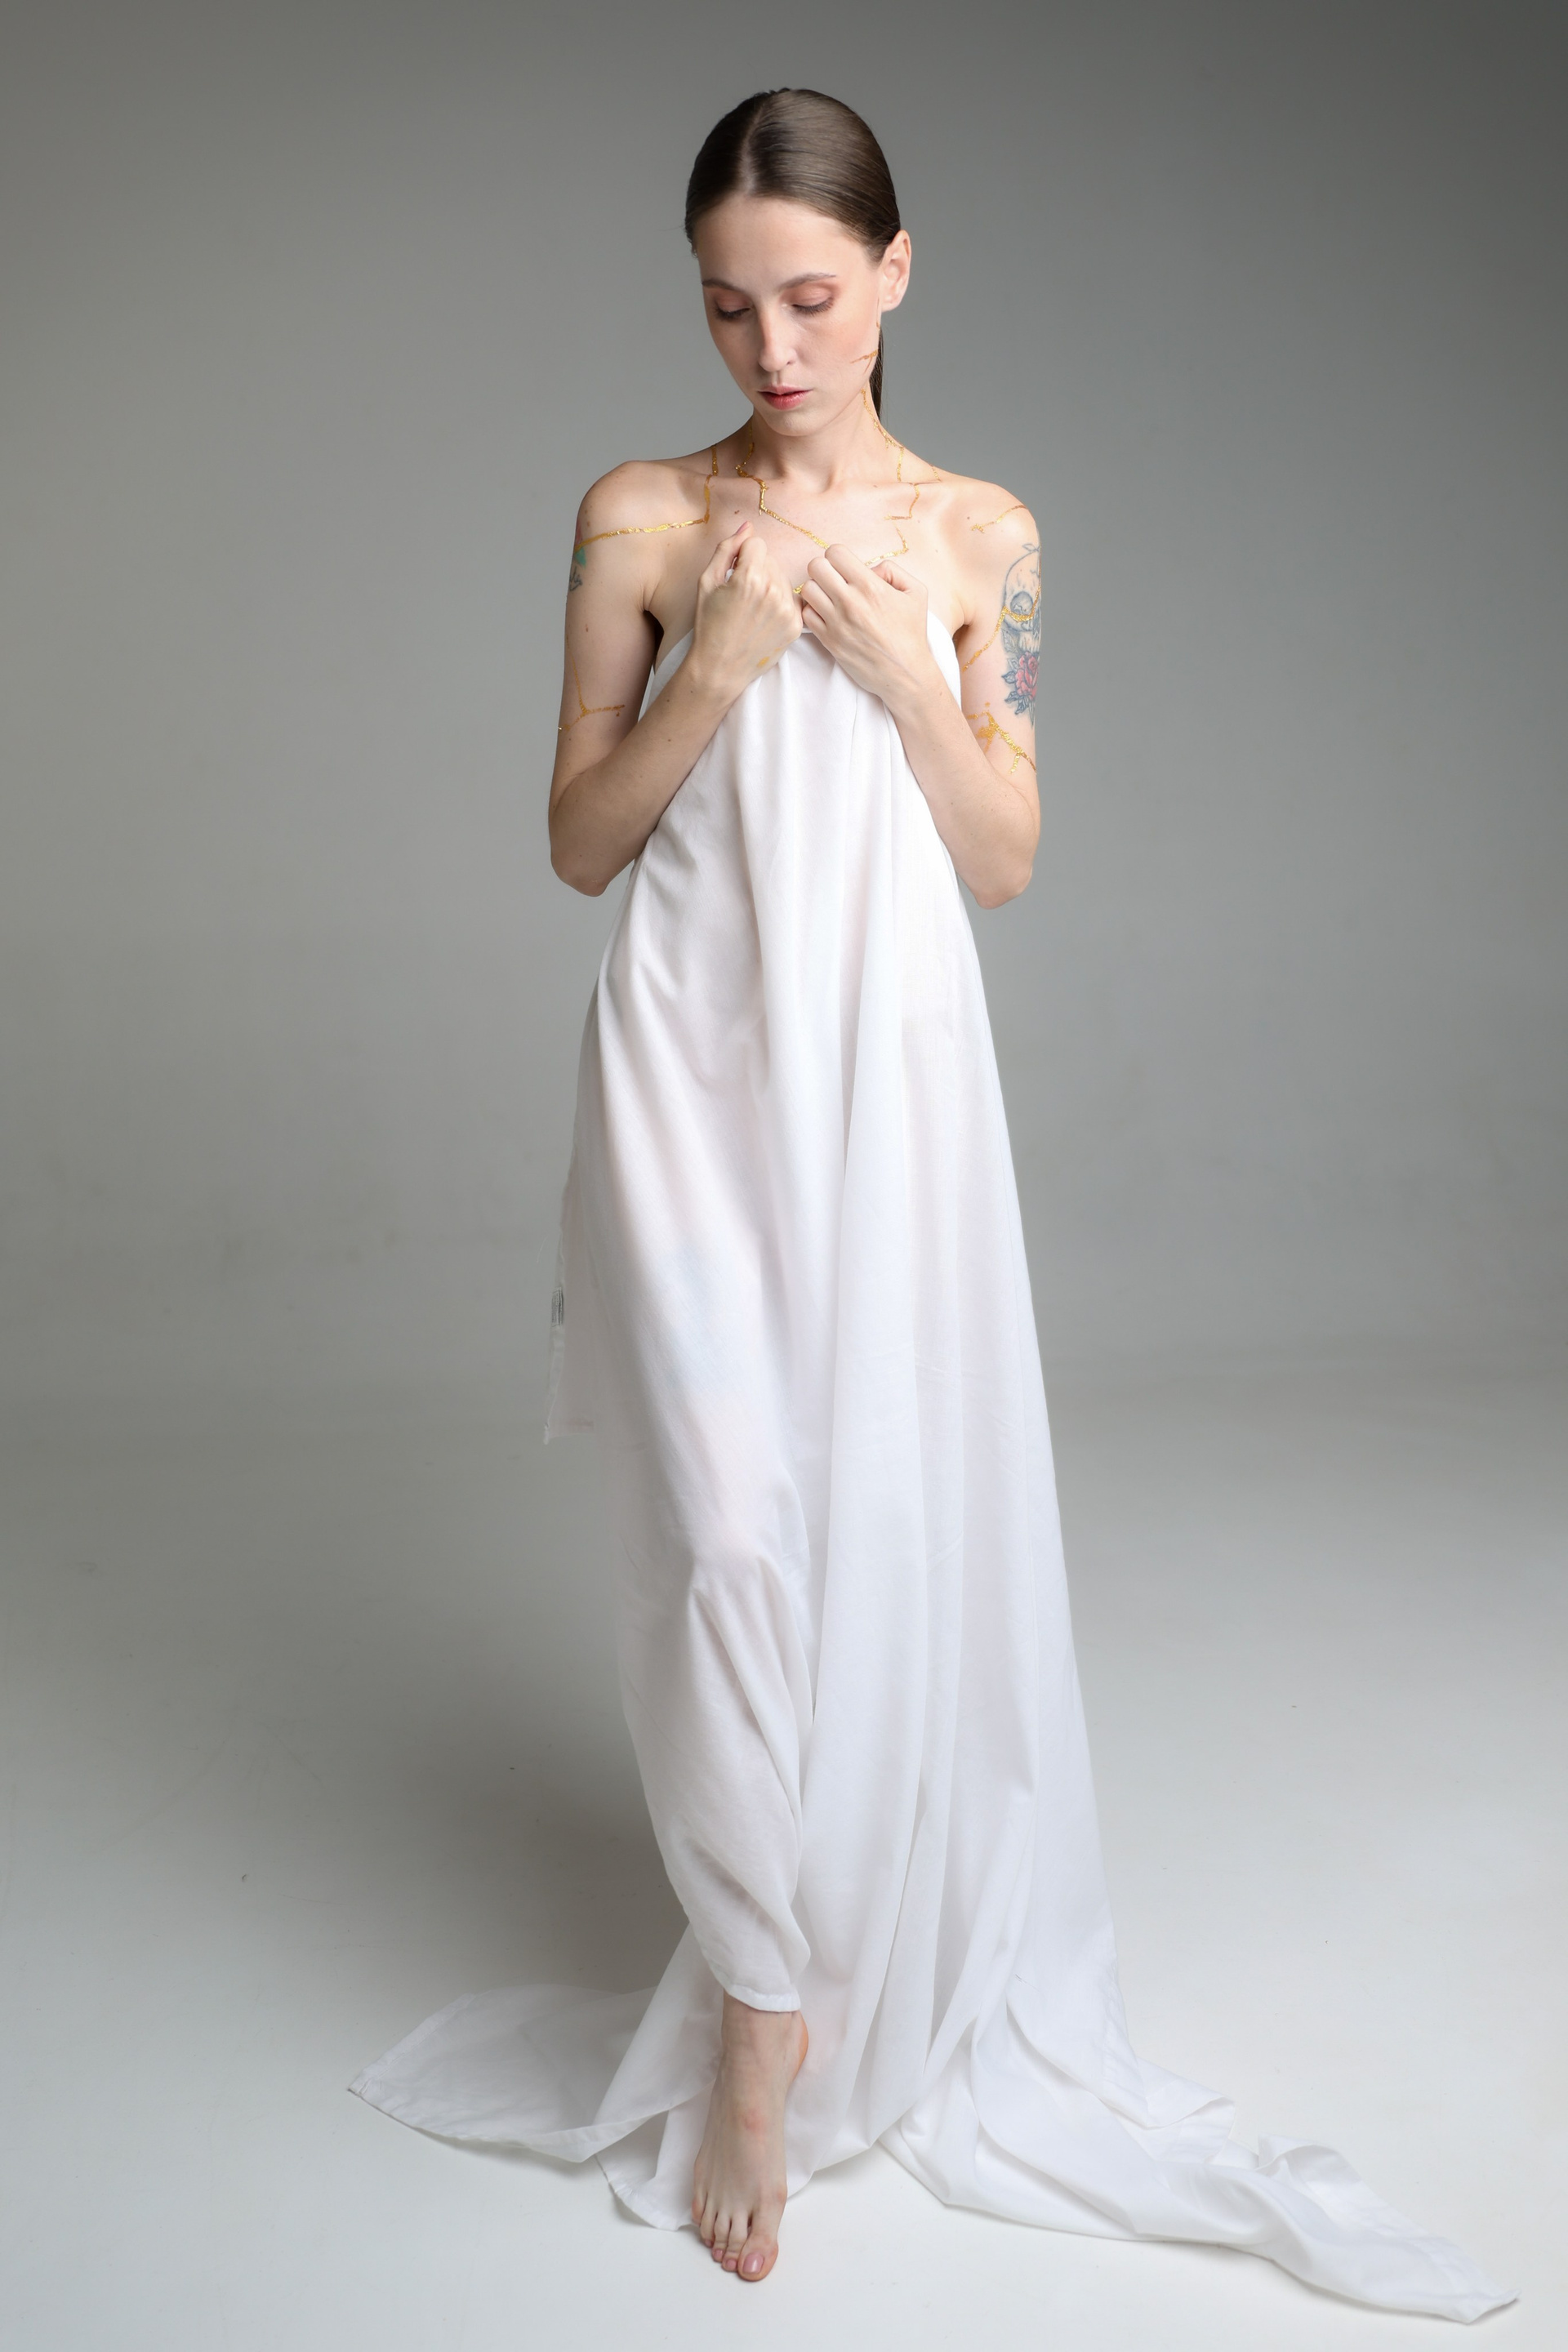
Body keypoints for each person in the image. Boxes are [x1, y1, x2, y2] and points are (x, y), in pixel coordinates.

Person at [352, 89, 1511, 2321]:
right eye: (726, 306)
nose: (771, 349)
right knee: (718, 1527)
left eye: (810, 297)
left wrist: (900, 672)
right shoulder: (640, 515)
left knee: (871, 1512)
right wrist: (721, 662)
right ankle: (761, 2010)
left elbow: (1003, 857)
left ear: (896, 270)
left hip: (892, 1080)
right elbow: (581, 842)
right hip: (690, 1069)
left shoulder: (988, 537)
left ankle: (840, 1953)